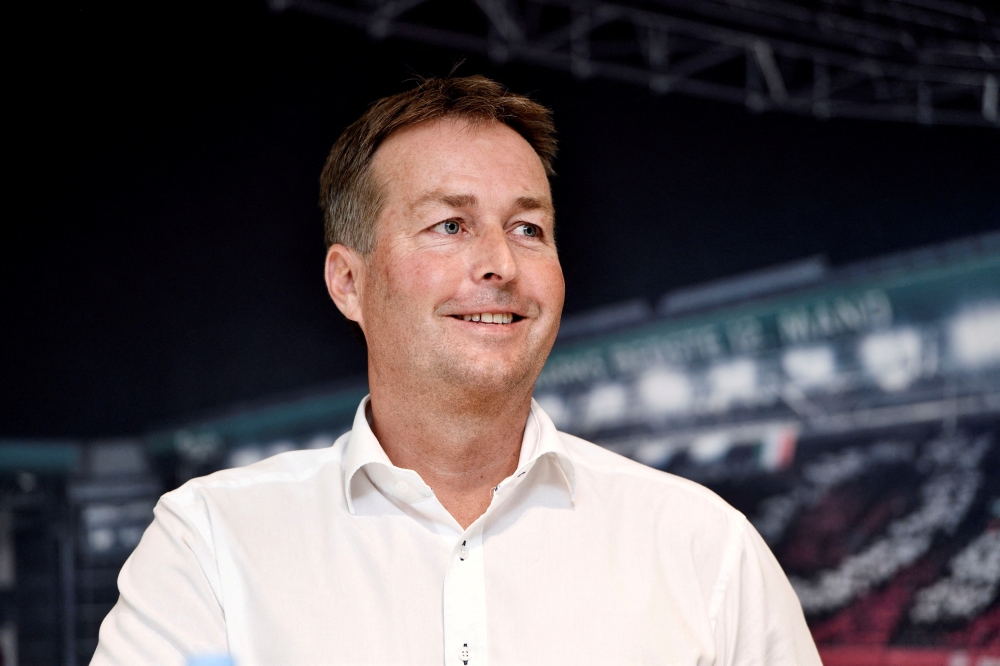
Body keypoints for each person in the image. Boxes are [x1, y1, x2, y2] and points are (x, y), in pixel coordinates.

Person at [91, 76, 821, 666]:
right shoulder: (212, 545)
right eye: (450, 225)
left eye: (528, 229)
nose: (500, 264)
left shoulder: (705, 550)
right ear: (348, 282)